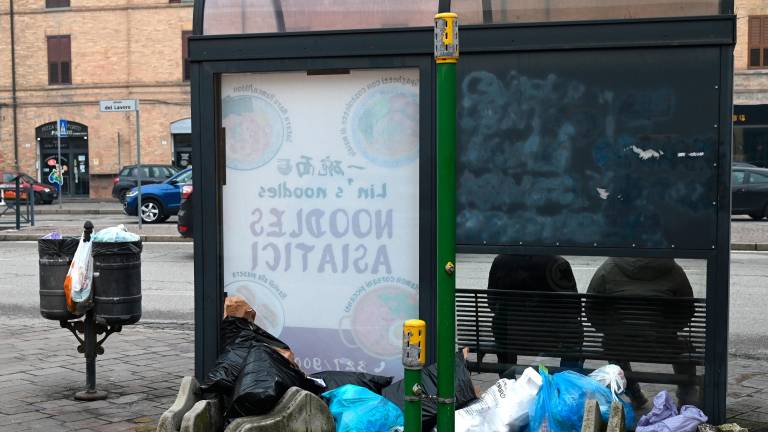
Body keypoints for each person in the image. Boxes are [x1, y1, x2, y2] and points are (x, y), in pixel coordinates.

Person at [586, 257, 698, 409]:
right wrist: (669, 329)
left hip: (619, 344)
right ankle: (687, 397)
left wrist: (609, 329)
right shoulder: (673, 269)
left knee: (612, 341)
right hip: (663, 345)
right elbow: (687, 310)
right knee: (685, 345)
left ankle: (634, 394)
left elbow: (591, 307)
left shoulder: (609, 266)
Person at [487, 254, 584, 377]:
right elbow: (574, 308)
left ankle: (507, 379)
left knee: (501, 323)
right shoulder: (558, 263)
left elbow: (491, 302)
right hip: (552, 339)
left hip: (512, 336)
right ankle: (568, 379)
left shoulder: (500, 261)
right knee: (574, 332)